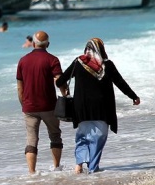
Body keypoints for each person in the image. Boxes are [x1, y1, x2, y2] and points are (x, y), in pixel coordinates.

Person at [55, 38, 140, 174]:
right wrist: (134, 97)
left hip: (81, 108)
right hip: (102, 108)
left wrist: (62, 87)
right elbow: (120, 83)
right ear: (101, 49)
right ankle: (93, 167)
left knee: (82, 136)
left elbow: (60, 81)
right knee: (98, 138)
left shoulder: (78, 62)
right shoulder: (107, 65)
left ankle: (79, 165)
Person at [16, 31, 66, 174]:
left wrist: (24, 105)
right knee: (55, 135)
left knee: (31, 139)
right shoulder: (52, 60)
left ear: (33, 44)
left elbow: (20, 87)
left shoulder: (23, 60)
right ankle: (56, 168)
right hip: (49, 106)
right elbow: (60, 81)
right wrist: (65, 95)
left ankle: (32, 172)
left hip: (29, 107)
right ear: (48, 45)